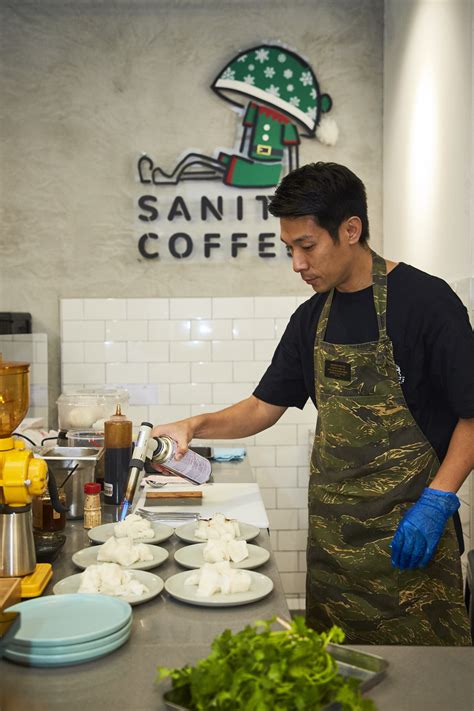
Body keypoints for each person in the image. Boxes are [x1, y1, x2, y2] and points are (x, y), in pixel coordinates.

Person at [152, 162, 474, 646]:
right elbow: (264, 406)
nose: (297, 264)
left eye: (307, 247)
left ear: (350, 230)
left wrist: (437, 501)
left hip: (411, 544)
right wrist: (193, 425)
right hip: (334, 553)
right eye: (289, 250)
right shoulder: (312, 318)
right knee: (335, 676)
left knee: (423, 685)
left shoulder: (427, 302)